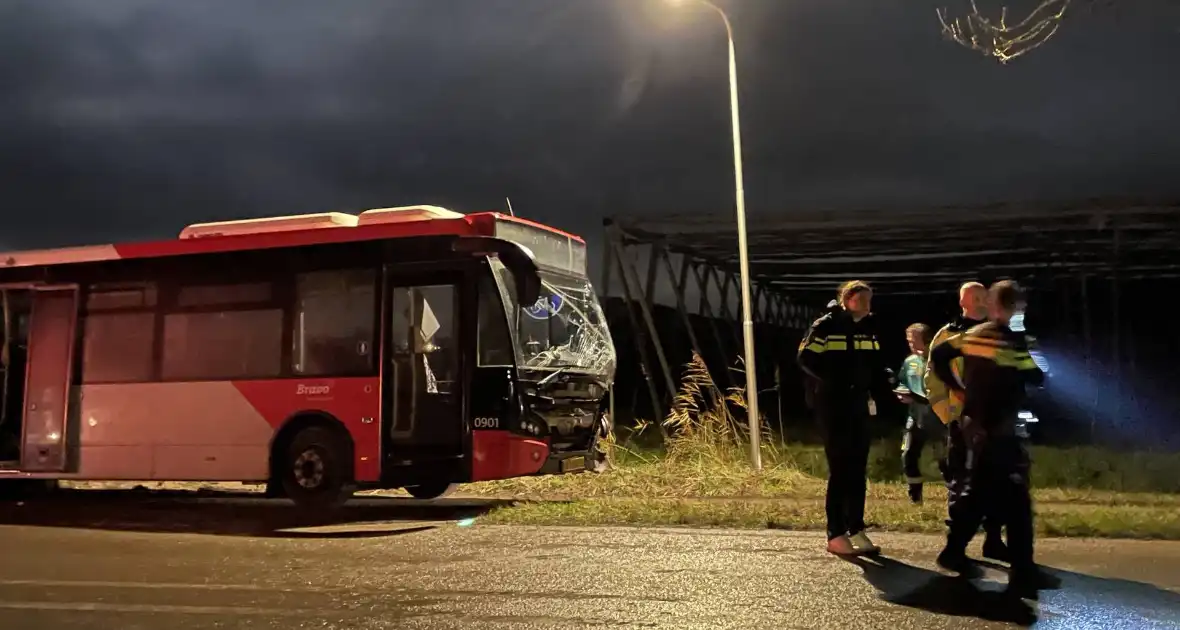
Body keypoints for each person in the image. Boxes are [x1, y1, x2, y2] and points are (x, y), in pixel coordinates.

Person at [929, 280, 1056, 597]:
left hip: (978, 427)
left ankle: (956, 552)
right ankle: (1020, 571)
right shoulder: (1011, 342)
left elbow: (940, 355)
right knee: (1013, 501)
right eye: (1018, 308)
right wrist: (1033, 356)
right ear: (1009, 308)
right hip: (999, 430)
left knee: (981, 494)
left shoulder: (974, 335)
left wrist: (960, 387)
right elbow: (1037, 377)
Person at [797, 280, 895, 556]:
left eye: (869, 300)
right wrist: (836, 383)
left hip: (858, 405)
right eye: (862, 300)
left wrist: (886, 382)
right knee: (840, 469)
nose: (868, 305)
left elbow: (875, 364)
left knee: (857, 469)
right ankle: (835, 534)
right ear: (847, 299)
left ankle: (856, 527)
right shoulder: (826, 326)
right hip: (833, 406)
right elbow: (805, 358)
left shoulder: (868, 328)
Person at [925, 281, 1008, 561]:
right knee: (959, 479)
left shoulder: (995, 333)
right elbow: (933, 377)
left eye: (985, 295)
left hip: (993, 419)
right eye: (976, 296)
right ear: (963, 302)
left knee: (997, 480)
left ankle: (994, 540)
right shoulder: (947, 335)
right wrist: (946, 413)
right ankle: (956, 546)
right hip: (961, 420)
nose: (983, 300)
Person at [896, 323, 938, 504]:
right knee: (908, 454)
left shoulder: (936, 360)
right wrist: (902, 393)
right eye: (909, 340)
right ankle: (915, 498)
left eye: (914, 340)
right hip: (914, 415)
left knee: (944, 460)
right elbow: (902, 382)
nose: (911, 343)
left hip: (937, 416)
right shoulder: (909, 361)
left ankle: (958, 497)